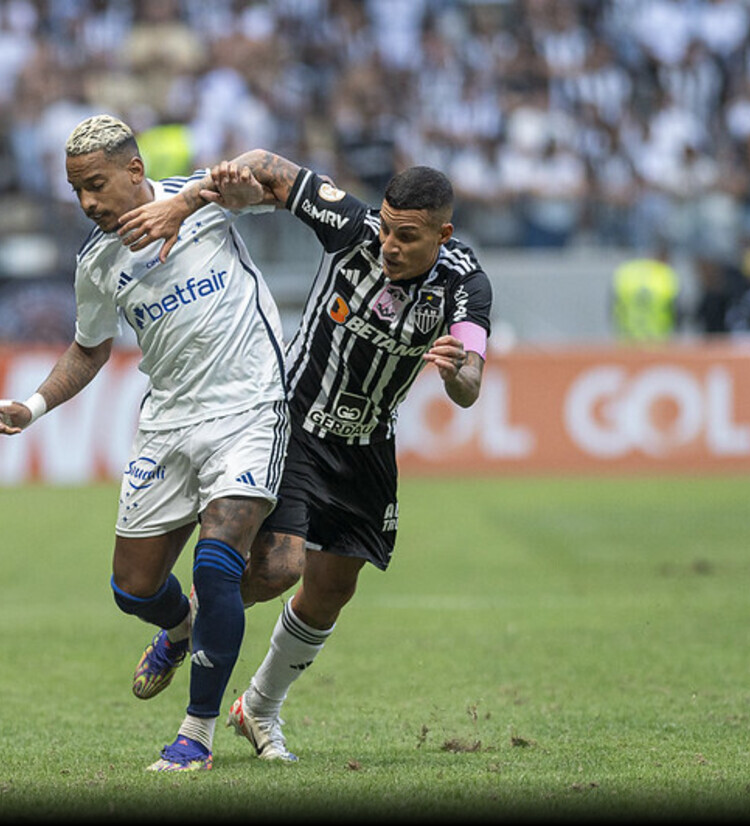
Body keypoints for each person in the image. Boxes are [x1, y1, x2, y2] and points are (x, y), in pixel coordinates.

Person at [118, 150, 492, 762]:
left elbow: (472, 380)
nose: (390, 244)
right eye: (387, 228)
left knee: (330, 592)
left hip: (369, 442)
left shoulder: (465, 284)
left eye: (407, 236)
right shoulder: (351, 227)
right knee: (279, 566)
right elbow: (266, 165)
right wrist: (182, 204)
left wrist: (456, 375)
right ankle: (189, 633)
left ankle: (258, 707)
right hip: (293, 420)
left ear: (442, 234)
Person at [0, 115, 288, 772]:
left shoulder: (205, 202)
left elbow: (271, 173)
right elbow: (90, 350)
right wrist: (30, 407)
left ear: (134, 171)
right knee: (133, 588)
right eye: (77, 192)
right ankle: (177, 629)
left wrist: (188, 198)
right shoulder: (97, 262)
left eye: (96, 185)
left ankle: (195, 736)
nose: (88, 202)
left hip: (249, 406)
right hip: (169, 420)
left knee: (216, 567)